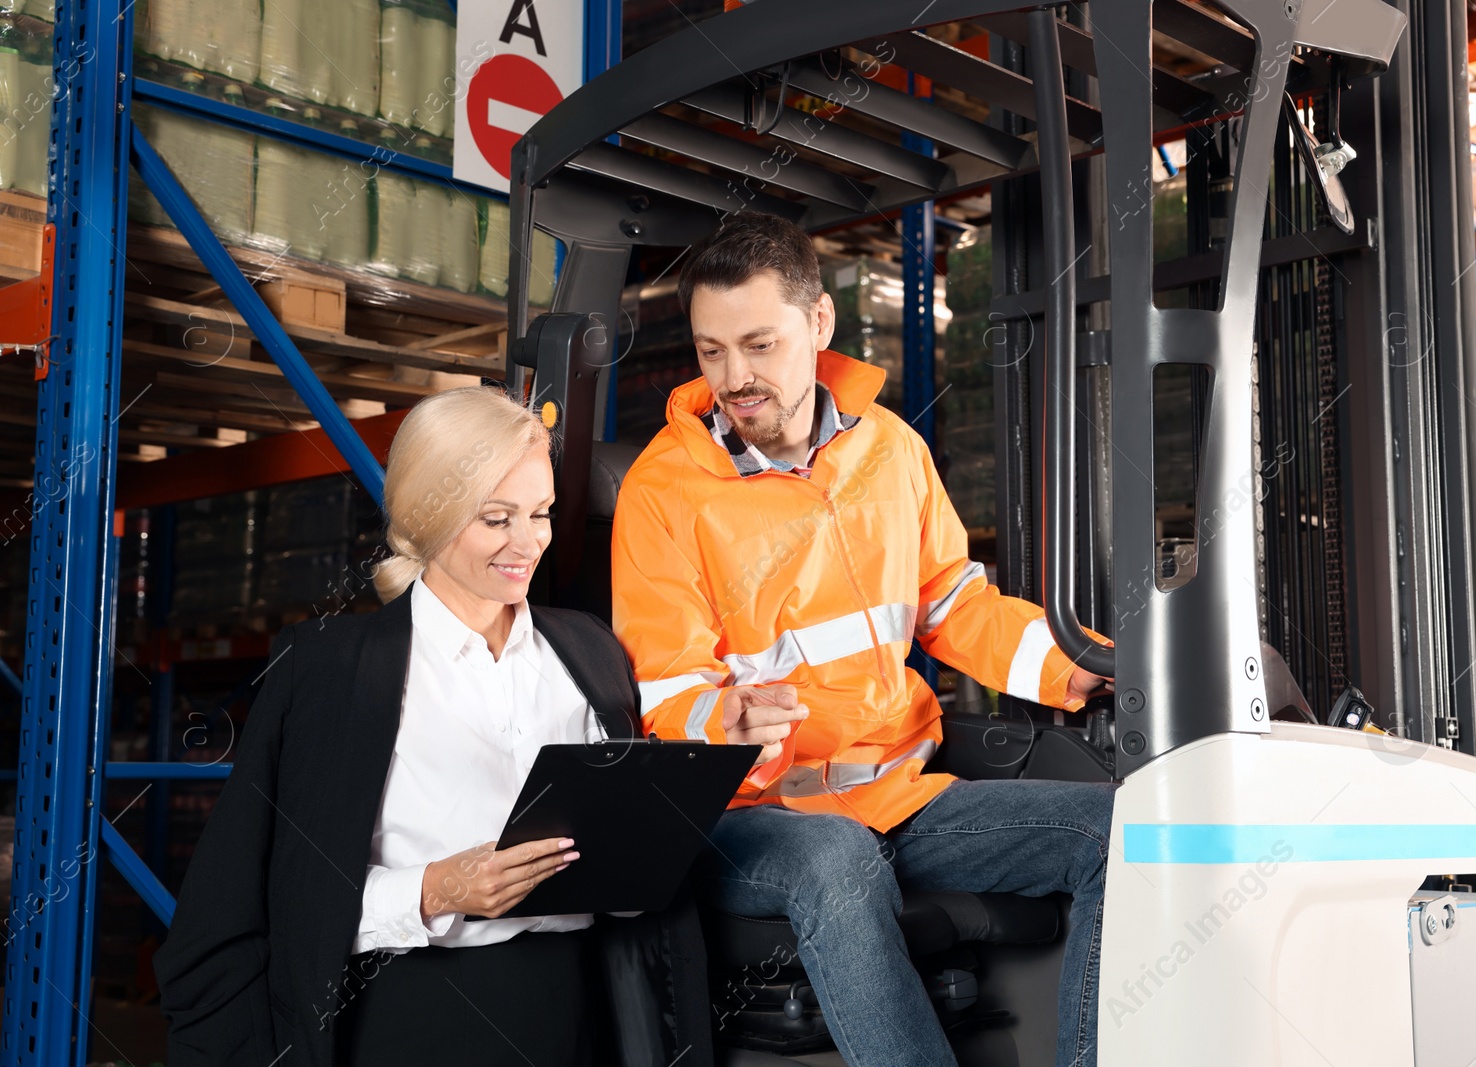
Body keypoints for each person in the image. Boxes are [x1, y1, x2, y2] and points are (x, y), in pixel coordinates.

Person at [611, 212, 1117, 1067]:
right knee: (836, 859)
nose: (735, 377)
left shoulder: (891, 452)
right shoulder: (664, 492)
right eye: (711, 352)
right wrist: (724, 719)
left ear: (818, 325)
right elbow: (663, 689)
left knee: (1121, 827)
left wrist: (1094, 668)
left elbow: (954, 606)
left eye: (758, 344)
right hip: (751, 818)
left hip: (895, 797)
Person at [155, 387, 683, 1067]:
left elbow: (627, 865)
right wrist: (435, 889)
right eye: (497, 518)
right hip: (409, 1013)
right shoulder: (332, 668)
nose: (528, 542)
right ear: (428, 515)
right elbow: (278, 900)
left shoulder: (589, 653)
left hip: (573, 1010)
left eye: (541, 513)